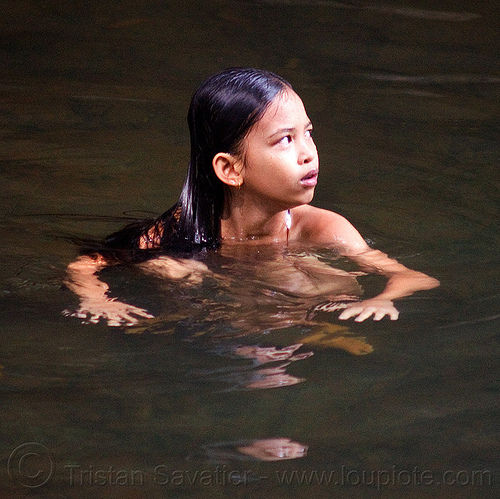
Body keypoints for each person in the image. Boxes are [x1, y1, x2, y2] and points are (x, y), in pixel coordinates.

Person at [64, 67, 439, 327]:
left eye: (308, 132)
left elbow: (414, 278)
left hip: (296, 323)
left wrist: (381, 298)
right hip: (220, 327)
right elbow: (86, 264)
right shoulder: (184, 229)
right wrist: (96, 299)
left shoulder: (322, 228)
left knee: (318, 281)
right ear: (230, 169)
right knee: (176, 269)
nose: (308, 152)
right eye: (285, 140)